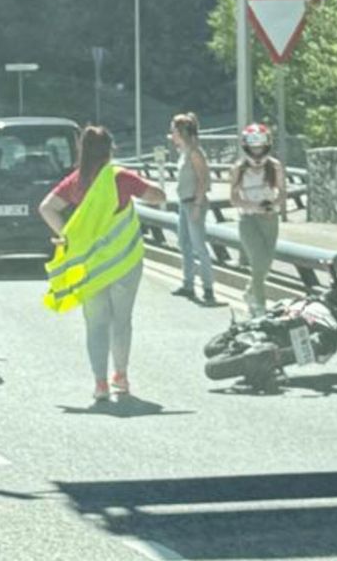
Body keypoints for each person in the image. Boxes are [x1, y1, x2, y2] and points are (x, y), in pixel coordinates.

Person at [39, 125, 166, 401]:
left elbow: (46, 207)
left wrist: (66, 235)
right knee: (121, 321)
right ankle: (121, 375)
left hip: (91, 266)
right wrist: (149, 184)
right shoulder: (120, 177)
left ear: (81, 150)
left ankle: (100, 383)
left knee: (95, 324)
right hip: (124, 261)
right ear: (110, 149)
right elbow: (157, 196)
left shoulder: (76, 182)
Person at [229, 123, 286, 318]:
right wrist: (254, 206)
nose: (257, 152)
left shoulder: (275, 166)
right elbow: (234, 198)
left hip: (270, 219)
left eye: (260, 147)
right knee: (258, 262)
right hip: (248, 220)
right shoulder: (238, 168)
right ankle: (260, 306)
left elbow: (282, 193)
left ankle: (249, 292)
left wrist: (272, 204)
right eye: (253, 148)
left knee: (266, 264)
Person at [168, 112, 223, 307]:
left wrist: (198, 205)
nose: (171, 135)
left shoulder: (194, 153)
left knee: (199, 246)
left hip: (193, 203)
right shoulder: (184, 152)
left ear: (181, 132)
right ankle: (188, 284)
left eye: (174, 131)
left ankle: (208, 289)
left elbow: (204, 180)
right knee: (184, 244)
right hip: (184, 202)